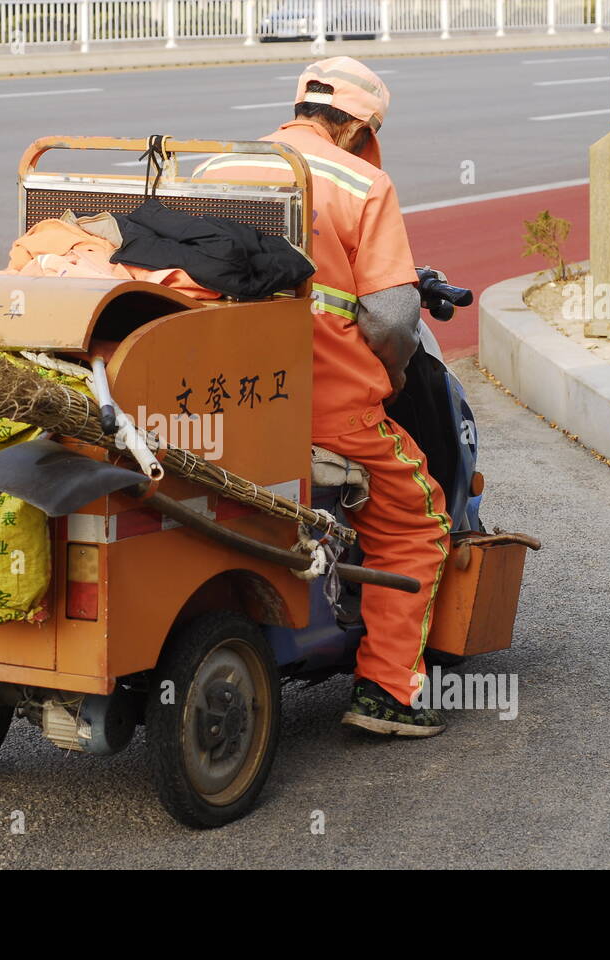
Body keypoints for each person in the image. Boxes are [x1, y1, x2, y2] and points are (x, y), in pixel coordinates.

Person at [196, 56, 450, 737]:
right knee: (416, 520)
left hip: (216, 401)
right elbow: (395, 319)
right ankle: (390, 696)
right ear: (361, 128)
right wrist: (391, 378)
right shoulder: (362, 181)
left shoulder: (219, 170)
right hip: (328, 406)